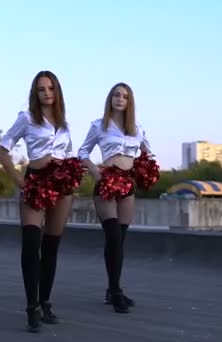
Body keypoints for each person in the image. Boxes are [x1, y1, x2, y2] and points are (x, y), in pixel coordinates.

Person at [0, 71, 79, 333]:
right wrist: (19, 179)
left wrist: (70, 173)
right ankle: (31, 307)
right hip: (35, 180)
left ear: (57, 92)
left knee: (51, 245)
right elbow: (3, 148)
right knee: (32, 243)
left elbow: (68, 154)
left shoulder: (64, 123)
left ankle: (45, 302)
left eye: (51, 88)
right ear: (35, 92)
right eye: (42, 89)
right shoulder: (27, 118)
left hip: (61, 183)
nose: (46, 93)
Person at [77, 82, 152, 314]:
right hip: (106, 183)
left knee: (121, 238)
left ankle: (112, 289)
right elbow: (82, 152)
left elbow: (148, 153)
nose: (120, 99)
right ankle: (116, 291)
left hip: (127, 185)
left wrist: (143, 172)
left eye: (125, 96)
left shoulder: (137, 129)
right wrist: (96, 173)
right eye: (116, 95)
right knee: (113, 236)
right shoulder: (99, 126)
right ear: (110, 99)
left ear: (130, 102)